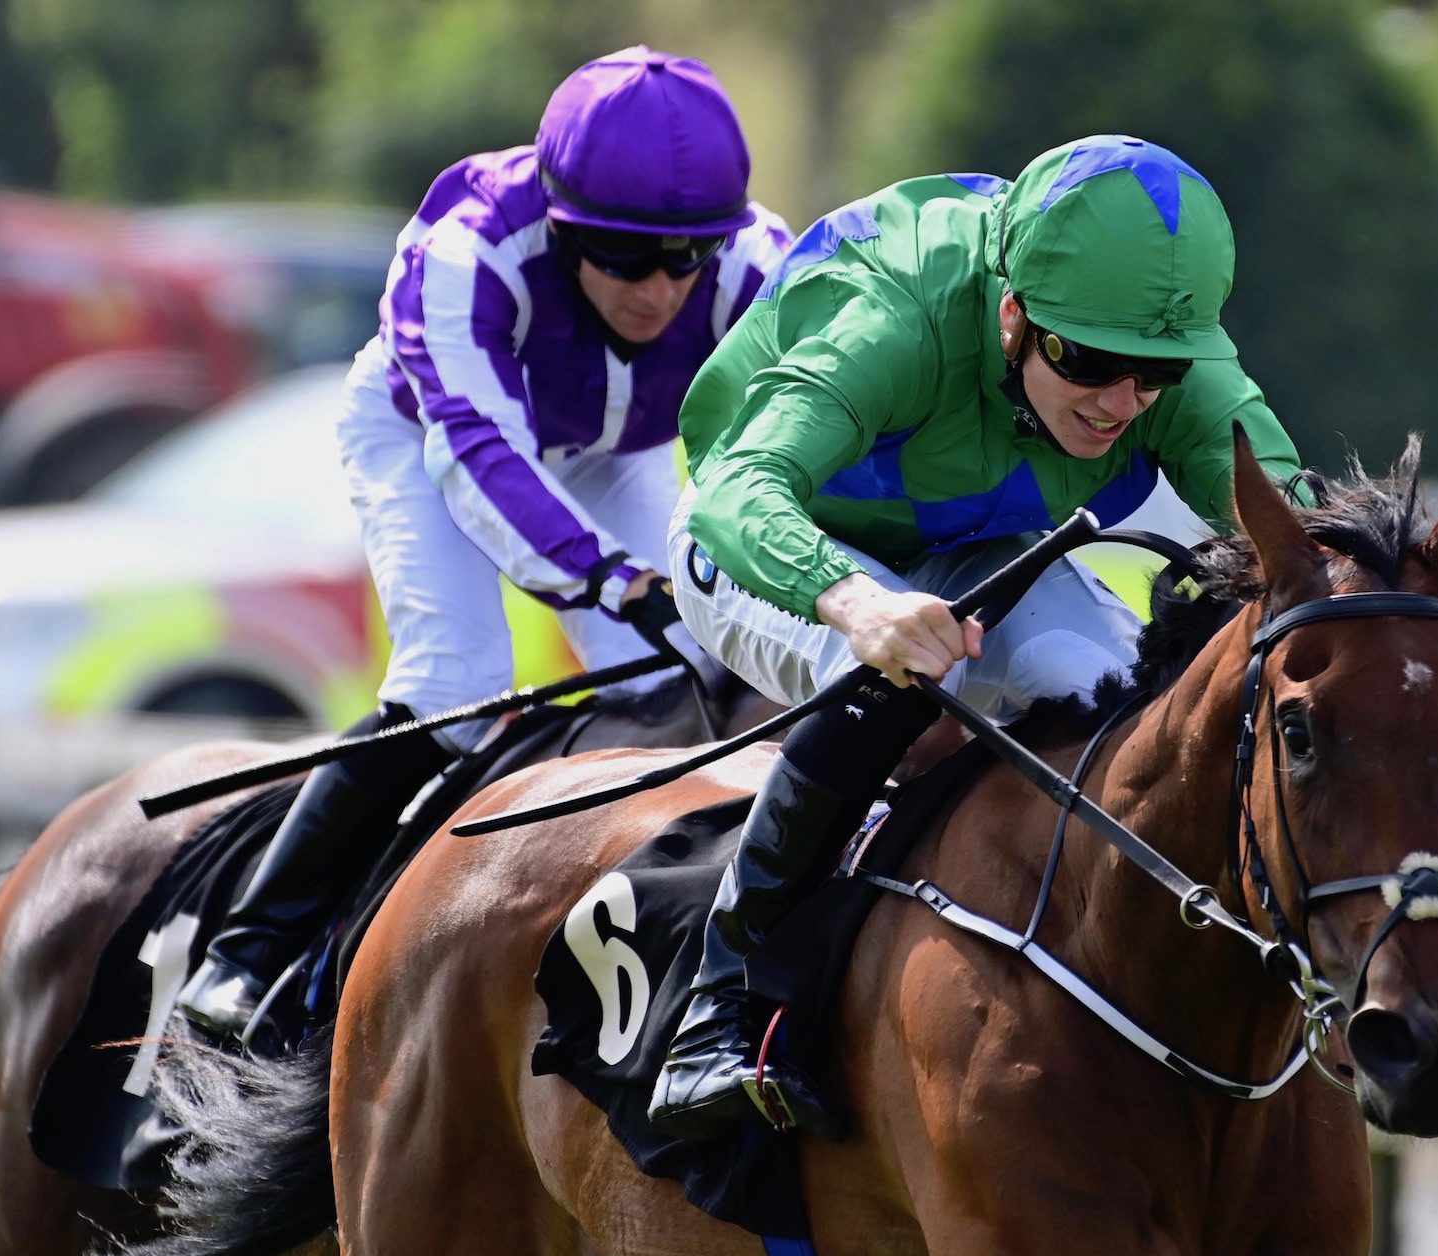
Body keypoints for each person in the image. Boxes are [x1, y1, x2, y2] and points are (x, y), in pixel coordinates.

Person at [647, 134, 1309, 1139]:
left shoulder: (1162, 355)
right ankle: (721, 1004)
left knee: (1100, 692)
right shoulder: (896, 317)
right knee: (889, 673)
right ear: (1013, 317)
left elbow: (1302, 535)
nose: (1118, 402)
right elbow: (741, 492)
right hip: (768, 541)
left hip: (975, 548)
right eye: (1086, 362)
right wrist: (856, 602)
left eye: (1154, 375)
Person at [176, 46, 790, 1043]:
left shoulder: (762, 267)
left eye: (687, 259)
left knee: (686, 680)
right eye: (628, 259)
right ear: (563, 228)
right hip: (428, 431)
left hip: (608, 452)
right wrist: (612, 576)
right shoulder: (466, 250)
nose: (661, 290)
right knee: (458, 678)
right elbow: (480, 455)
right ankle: (245, 951)